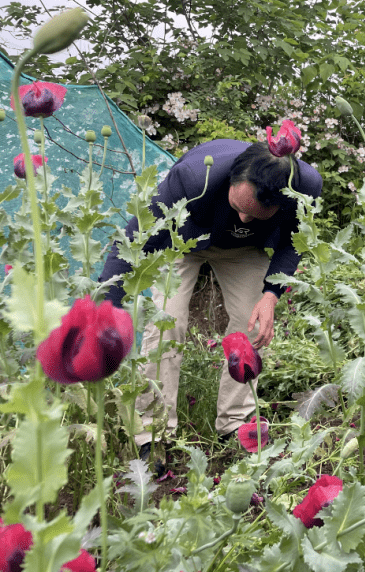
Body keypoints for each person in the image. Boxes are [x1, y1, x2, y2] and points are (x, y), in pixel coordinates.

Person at [99, 122, 322, 455]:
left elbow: (292, 243)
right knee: (167, 323)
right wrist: (107, 308)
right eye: (240, 207)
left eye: (256, 214)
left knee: (253, 325)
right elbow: (134, 238)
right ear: (232, 178)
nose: (244, 219)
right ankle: (153, 434)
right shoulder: (193, 177)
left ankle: (235, 424)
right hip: (182, 242)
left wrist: (271, 294)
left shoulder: (304, 187)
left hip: (245, 252)